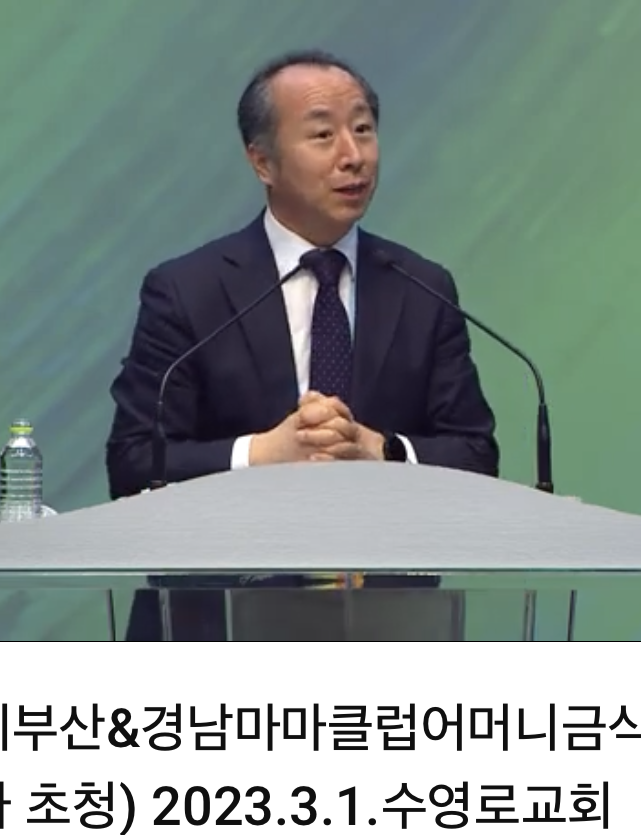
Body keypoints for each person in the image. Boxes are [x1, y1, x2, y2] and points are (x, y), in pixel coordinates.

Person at [106, 49, 498, 640]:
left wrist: (380, 451)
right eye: (322, 135)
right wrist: (266, 453)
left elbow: (476, 457)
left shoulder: (420, 287)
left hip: (385, 634)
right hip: (217, 636)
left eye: (363, 129)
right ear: (262, 161)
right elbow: (135, 464)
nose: (353, 155)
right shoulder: (188, 291)